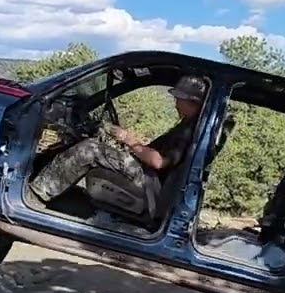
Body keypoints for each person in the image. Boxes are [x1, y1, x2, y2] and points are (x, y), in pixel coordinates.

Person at [28, 74, 208, 209]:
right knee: (99, 146)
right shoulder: (188, 125)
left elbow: (158, 161)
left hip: (149, 180)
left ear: (192, 101)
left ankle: (37, 196)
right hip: (148, 175)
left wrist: (128, 140)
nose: (176, 103)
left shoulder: (189, 130)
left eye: (179, 99)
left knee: (90, 149)